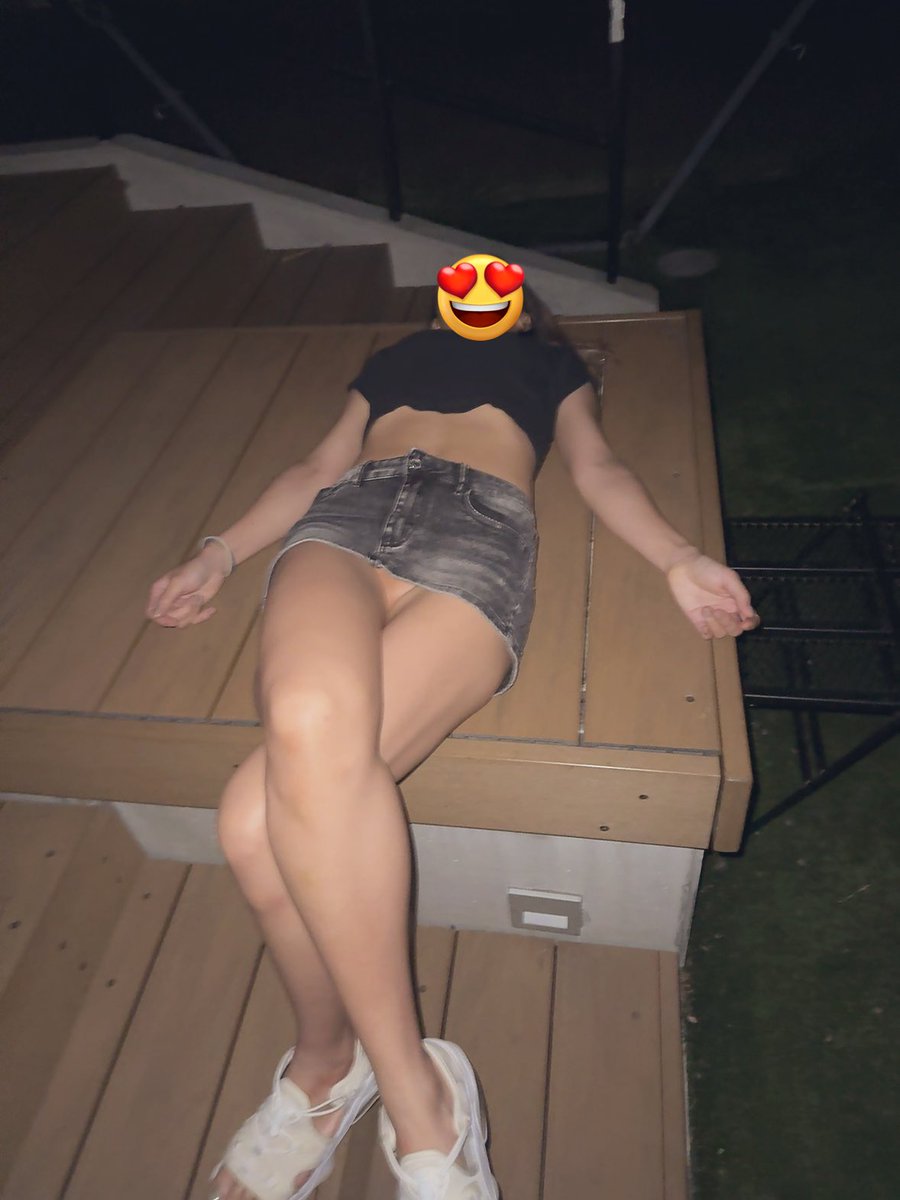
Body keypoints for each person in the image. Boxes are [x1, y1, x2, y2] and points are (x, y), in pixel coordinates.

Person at [146, 283, 760, 1200]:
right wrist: (217, 553)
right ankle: (416, 1097)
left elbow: (598, 469)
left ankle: (328, 1067)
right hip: (345, 525)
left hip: (477, 537)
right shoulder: (395, 360)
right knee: (301, 721)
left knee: (251, 825)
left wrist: (680, 558)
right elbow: (315, 465)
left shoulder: (549, 367)